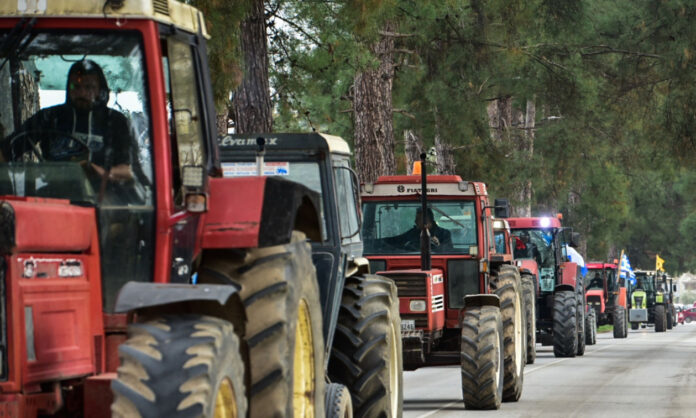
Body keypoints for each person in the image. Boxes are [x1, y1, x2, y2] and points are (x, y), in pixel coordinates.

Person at [2, 59, 133, 190]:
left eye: (89, 87)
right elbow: (6, 151)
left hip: (104, 197)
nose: (82, 93)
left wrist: (100, 172)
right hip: (54, 195)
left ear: (100, 90)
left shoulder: (115, 121)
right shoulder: (50, 116)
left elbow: (130, 171)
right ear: (68, 88)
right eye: (75, 87)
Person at [386, 207, 453, 250]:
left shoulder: (444, 234)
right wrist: (381, 242)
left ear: (426, 220)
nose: (415, 221)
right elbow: (397, 240)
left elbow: (449, 250)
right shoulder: (413, 233)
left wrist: (438, 245)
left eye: (418, 219)